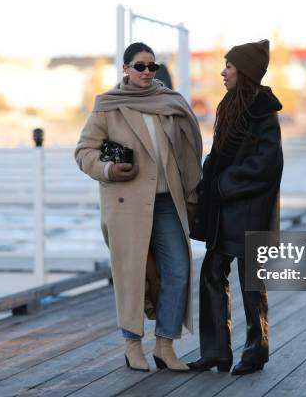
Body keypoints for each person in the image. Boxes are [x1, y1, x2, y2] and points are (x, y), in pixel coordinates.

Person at [74, 42, 202, 372]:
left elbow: (186, 152)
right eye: (140, 66)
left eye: (152, 67)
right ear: (126, 69)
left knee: (178, 269)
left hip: (167, 201)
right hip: (127, 202)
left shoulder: (169, 103)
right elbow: (84, 151)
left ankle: (164, 345)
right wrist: (107, 169)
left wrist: (193, 193)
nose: (147, 72)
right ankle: (132, 345)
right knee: (130, 275)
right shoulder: (107, 106)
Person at [188, 39, 283, 375]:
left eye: (229, 66)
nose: (223, 71)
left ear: (244, 72)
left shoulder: (264, 111)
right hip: (224, 211)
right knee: (212, 271)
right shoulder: (230, 105)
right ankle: (217, 352)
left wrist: (224, 183)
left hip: (251, 211)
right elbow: (221, 154)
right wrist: (207, 179)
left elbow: (267, 164)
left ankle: (256, 350)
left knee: (251, 282)